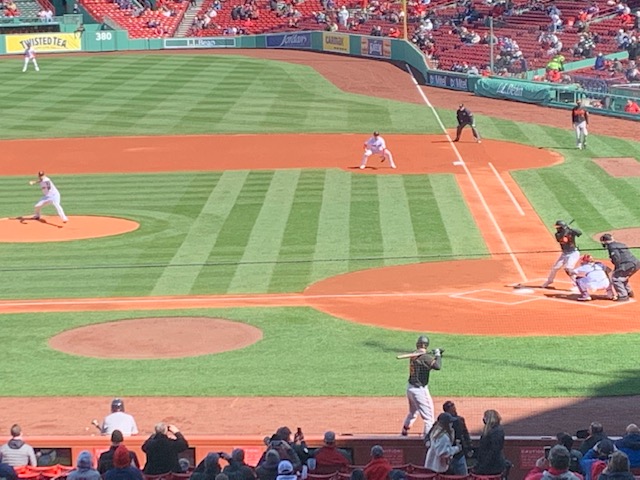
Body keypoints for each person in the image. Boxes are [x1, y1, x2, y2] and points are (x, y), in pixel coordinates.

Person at [401, 335, 442, 437]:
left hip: (410, 388)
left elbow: (428, 364)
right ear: (426, 345)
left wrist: (437, 356)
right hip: (419, 390)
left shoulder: (414, 354)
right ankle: (427, 441)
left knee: (413, 412)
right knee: (429, 418)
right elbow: (437, 366)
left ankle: (404, 432)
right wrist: (438, 354)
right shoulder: (425, 357)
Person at [542, 220, 582, 290]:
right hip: (564, 253)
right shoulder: (557, 234)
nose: (556, 228)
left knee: (568, 268)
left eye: (558, 227)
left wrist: (571, 229)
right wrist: (566, 231)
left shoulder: (570, 231)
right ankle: (550, 281)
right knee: (555, 268)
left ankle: (576, 285)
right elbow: (563, 239)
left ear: (562, 227)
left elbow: (579, 233)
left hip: (573, 253)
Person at [600, 233, 640, 302]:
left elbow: (616, 258)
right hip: (636, 263)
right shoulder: (620, 244)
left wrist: (617, 267)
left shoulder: (611, 246)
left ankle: (623, 296)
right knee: (622, 277)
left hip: (626, 265)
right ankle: (629, 292)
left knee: (616, 278)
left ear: (605, 241)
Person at [473, 410, 507, 476]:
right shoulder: (492, 430)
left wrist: (483, 466)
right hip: (489, 465)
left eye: (485, 417)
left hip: (492, 466)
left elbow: (494, 451)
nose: (483, 419)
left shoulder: (496, 431)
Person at [443, 401, 472, 475]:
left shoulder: (460, 420)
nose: (453, 409)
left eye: (453, 407)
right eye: (451, 408)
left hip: (458, 453)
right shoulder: (442, 420)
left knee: (462, 474)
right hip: (446, 454)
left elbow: (465, 434)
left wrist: (469, 447)